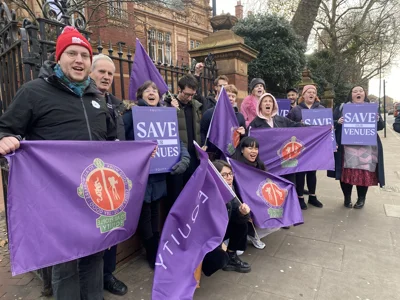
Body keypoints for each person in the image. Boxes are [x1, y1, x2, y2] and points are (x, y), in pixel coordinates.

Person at [0, 26, 118, 300]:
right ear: (59, 58)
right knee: (66, 266)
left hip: (94, 197)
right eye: (71, 53)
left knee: (94, 257)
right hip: (57, 199)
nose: (79, 60)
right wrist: (5, 138)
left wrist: (136, 156)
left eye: (84, 55)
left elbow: (112, 144)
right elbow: (5, 128)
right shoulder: (33, 92)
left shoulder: (96, 99)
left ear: (90, 63)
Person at [123, 81, 190, 268]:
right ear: (140, 94)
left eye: (155, 90)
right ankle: (152, 253)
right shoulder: (130, 116)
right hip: (141, 176)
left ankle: (157, 246)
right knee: (144, 214)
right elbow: (122, 143)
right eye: (148, 90)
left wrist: (183, 159)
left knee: (154, 212)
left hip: (159, 176)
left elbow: (176, 142)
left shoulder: (165, 116)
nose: (152, 93)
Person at [89, 53, 128, 296]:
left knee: (112, 225)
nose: (106, 77)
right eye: (101, 72)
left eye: (110, 73)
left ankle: (107, 274)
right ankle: (91, 280)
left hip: (114, 176)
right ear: (91, 73)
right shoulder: (81, 100)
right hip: (88, 175)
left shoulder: (115, 103)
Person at [328, 86, 385, 208]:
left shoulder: (372, 108)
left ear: (364, 94)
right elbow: (330, 122)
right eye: (355, 91)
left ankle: (361, 199)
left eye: (360, 91)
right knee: (346, 173)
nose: (358, 93)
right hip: (347, 147)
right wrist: (337, 121)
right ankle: (347, 198)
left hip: (367, 148)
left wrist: (378, 119)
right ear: (351, 94)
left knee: (364, 174)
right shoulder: (342, 107)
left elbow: (381, 126)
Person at [202, 160, 251, 276]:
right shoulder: (206, 194)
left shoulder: (229, 189)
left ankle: (231, 256)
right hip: (206, 239)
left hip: (221, 231)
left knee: (242, 224)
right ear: (216, 177)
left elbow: (235, 214)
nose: (229, 178)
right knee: (219, 259)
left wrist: (242, 212)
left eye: (230, 174)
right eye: (224, 175)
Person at [248, 93, 302, 185]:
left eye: (270, 101)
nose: (268, 103)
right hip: (267, 165)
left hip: (284, 164)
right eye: (265, 101)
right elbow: (249, 143)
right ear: (260, 105)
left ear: (274, 105)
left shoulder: (282, 120)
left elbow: (298, 126)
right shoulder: (254, 124)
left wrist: (321, 127)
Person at [287, 85, 324, 210]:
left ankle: (312, 196)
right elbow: (288, 126)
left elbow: (326, 126)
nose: (311, 94)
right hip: (300, 146)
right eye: (309, 92)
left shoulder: (321, 109)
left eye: (314, 92)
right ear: (303, 95)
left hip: (314, 146)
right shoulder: (296, 110)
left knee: (312, 172)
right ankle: (300, 197)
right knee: (300, 172)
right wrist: (299, 125)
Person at [232, 137, 266, 249]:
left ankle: (253, 235)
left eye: (256, 148)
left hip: (256, 198)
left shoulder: (260, 165)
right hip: (239, 201)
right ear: (242, 150)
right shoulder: (234, 166)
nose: (254, 151)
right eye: (250, 147)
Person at [200, 84, 246, 159]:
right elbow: (202, 132)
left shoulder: (239, 117)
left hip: (232, 156)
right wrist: (203, 146)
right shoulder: (209, 114)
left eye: (233, 96)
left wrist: (243, 134)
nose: (231, 98)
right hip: (214, 154)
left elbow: (244, 139)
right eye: (228, 96)